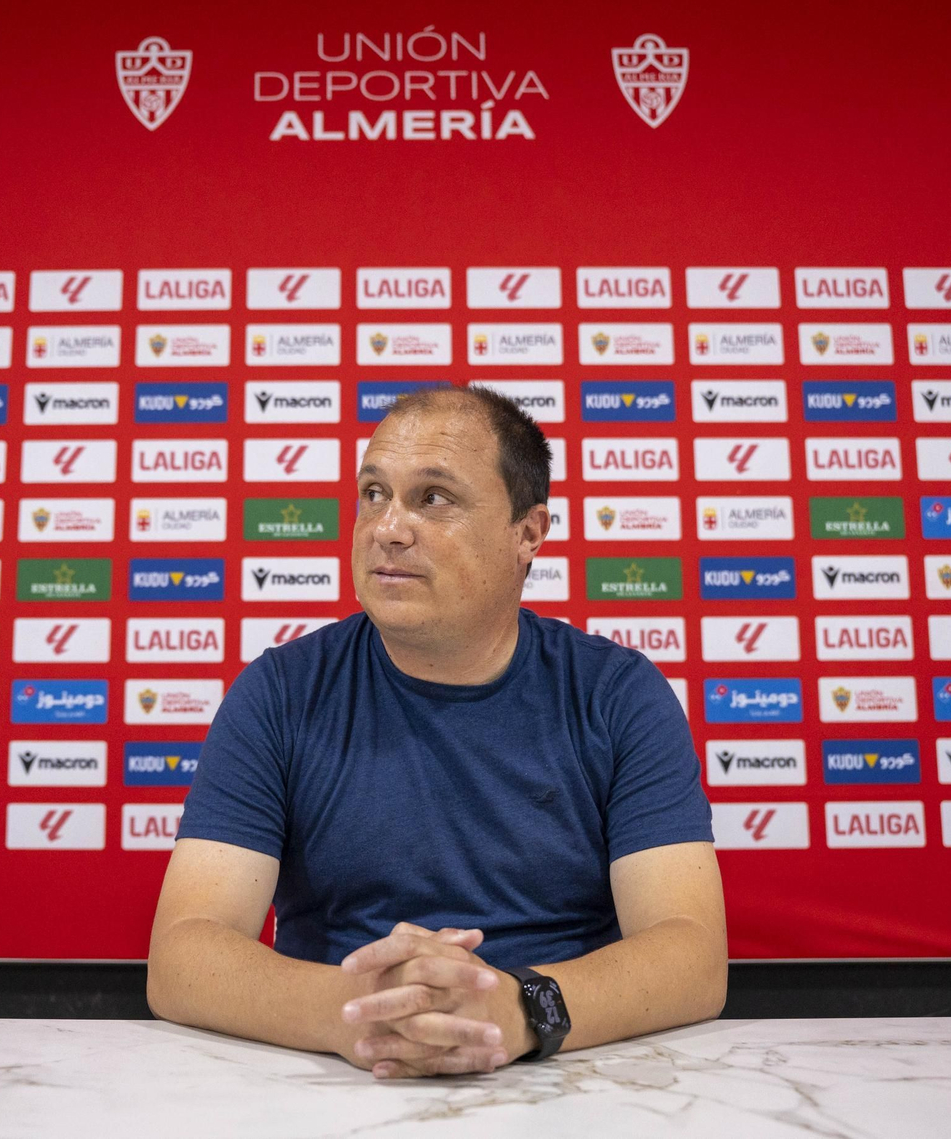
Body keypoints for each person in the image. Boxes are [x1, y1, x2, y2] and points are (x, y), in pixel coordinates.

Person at [147, 384, 725, 1079]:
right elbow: (183, 954)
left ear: (528, 533)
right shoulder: (280, 693)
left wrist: (518, 1008)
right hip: (337, 1079)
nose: (387, 527)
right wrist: (354, 1011)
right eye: (373, 493)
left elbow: (692, 954)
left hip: (567, 1074)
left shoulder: (617, 694)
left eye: (433, 497)